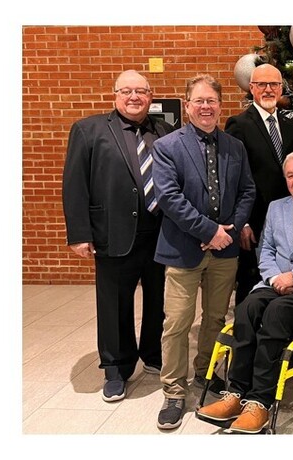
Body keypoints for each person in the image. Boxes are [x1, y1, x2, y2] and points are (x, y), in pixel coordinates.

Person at [196, 150, 293, 434]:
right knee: (247, 308)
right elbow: (266, 249)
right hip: (277, 281)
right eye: (290, 175)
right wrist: (275, 277)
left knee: (276, 314)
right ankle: (236, 393)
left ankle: (260, 401)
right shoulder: (276, 207)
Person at [62, 70, 174, 402]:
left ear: (151, 96)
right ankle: (116, 367)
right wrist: (79, 234)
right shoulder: (89, 130)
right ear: (115, 95)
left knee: (158, 300)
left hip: (160, 234)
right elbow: (74, 184)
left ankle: (152, 353)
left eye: (141, 91)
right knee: (114, 304)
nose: (134, 97)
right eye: (126, 91)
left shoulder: (165, 131)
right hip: (113, 233)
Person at [151, 74, 255, 430]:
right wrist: (209, 231)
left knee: (215, 319)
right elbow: (169, 198)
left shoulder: (234, 147)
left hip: (224, 252)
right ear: (187, 105)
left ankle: (205, 373)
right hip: (183, 249)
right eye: (199, 100)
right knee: (177, 323)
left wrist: (228, 231)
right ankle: (173, 391)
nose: (206, 106)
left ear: (220, 106)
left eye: (212, 100)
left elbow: (247, 191)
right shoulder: (167, 146)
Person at [225, 63, 293, 304]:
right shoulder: (238, 125)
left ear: (281, 89)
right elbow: (232, 177)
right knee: (250, 284)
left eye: (274, 84)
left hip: (288, 221)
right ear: (251, 88)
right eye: (262, 84)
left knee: (282, 281)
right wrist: (242, 222)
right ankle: (245, 326)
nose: (268, 89)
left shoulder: (292, 128)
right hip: (255, 222)